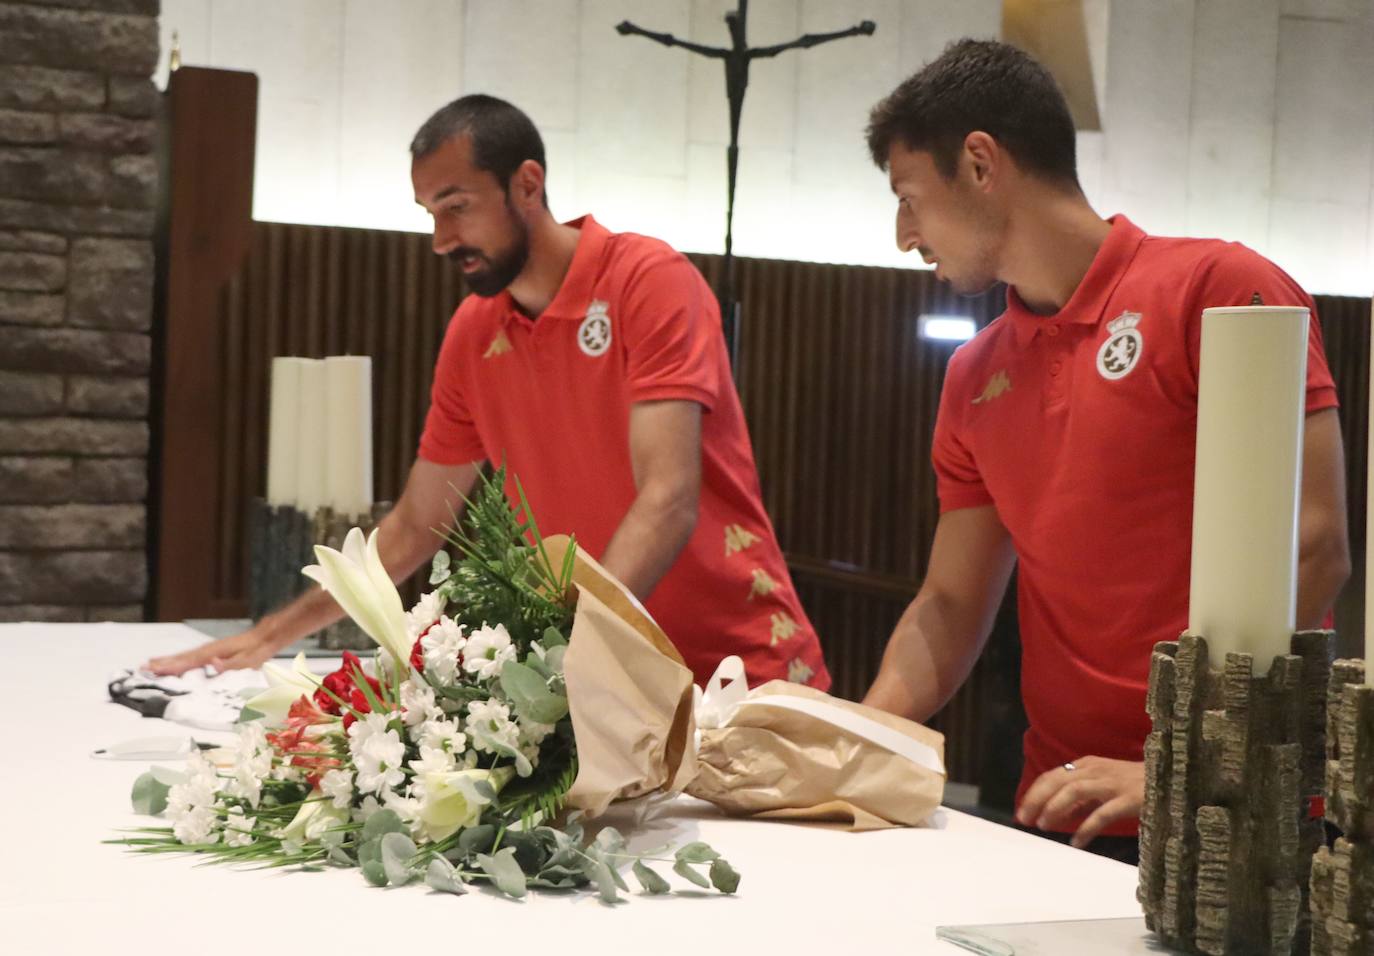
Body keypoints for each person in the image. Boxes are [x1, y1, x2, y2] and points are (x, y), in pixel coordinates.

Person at [150, 94, 830, 692]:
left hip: (738, 671)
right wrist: (273, 634)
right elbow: (418, 524)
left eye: (458, 207)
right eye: (430, 214)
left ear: (527, 183)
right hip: (605, 682)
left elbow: (669, 497)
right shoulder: (474, 334)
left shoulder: (647, 281)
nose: (443, 239)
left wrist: (567, 651)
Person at [859, 39, 1350, 863]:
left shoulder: (1219, 287)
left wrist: (1174, 763)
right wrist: (857, 740)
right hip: (1064, 807)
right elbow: (949, 604)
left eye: (910, 197)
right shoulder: (972, 375)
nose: (904, 234)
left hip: (1233, 809)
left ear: (981, 163)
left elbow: (1314, 544)